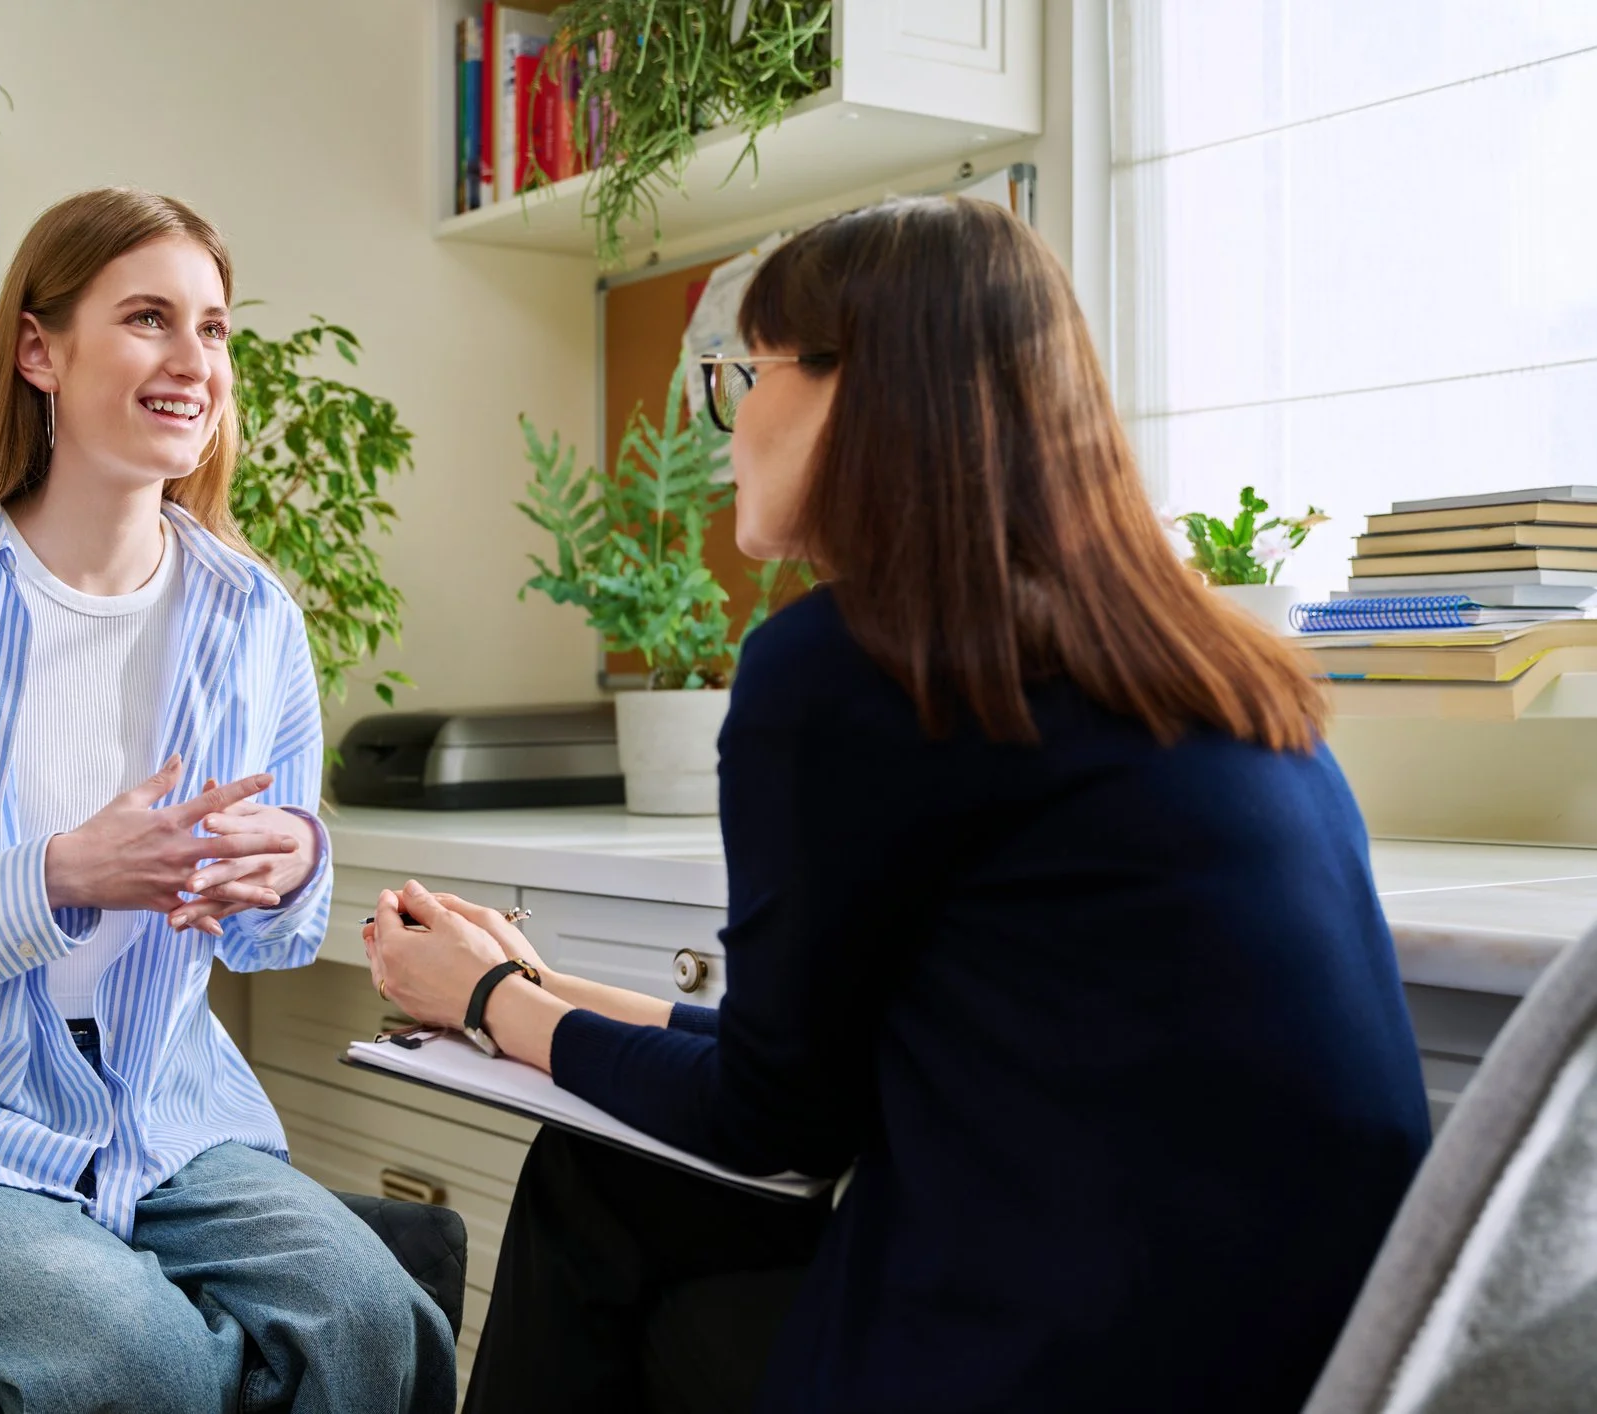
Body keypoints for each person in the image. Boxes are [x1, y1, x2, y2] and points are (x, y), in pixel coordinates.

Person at [366, 195, 1433, 1414]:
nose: (732, 423)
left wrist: (492, 1003)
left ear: (857, 390)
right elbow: (838, 1065)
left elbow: (778, 1122)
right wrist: (540, 993)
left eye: (745, 375)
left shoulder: (853, 664)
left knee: (593, 1196)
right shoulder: (1198, 664)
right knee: (618, 1193)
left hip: (1066, 1360)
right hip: (1307, 1358)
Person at [0, 188, 455, 1414]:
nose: (195, 361)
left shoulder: (253, 620)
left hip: (162, 1106)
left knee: (373, 1320)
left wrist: (290, 856)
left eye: (216, 329)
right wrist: (58, 876)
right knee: (145, 1360)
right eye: (147, 318)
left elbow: (270, 930)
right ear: (40, 349)